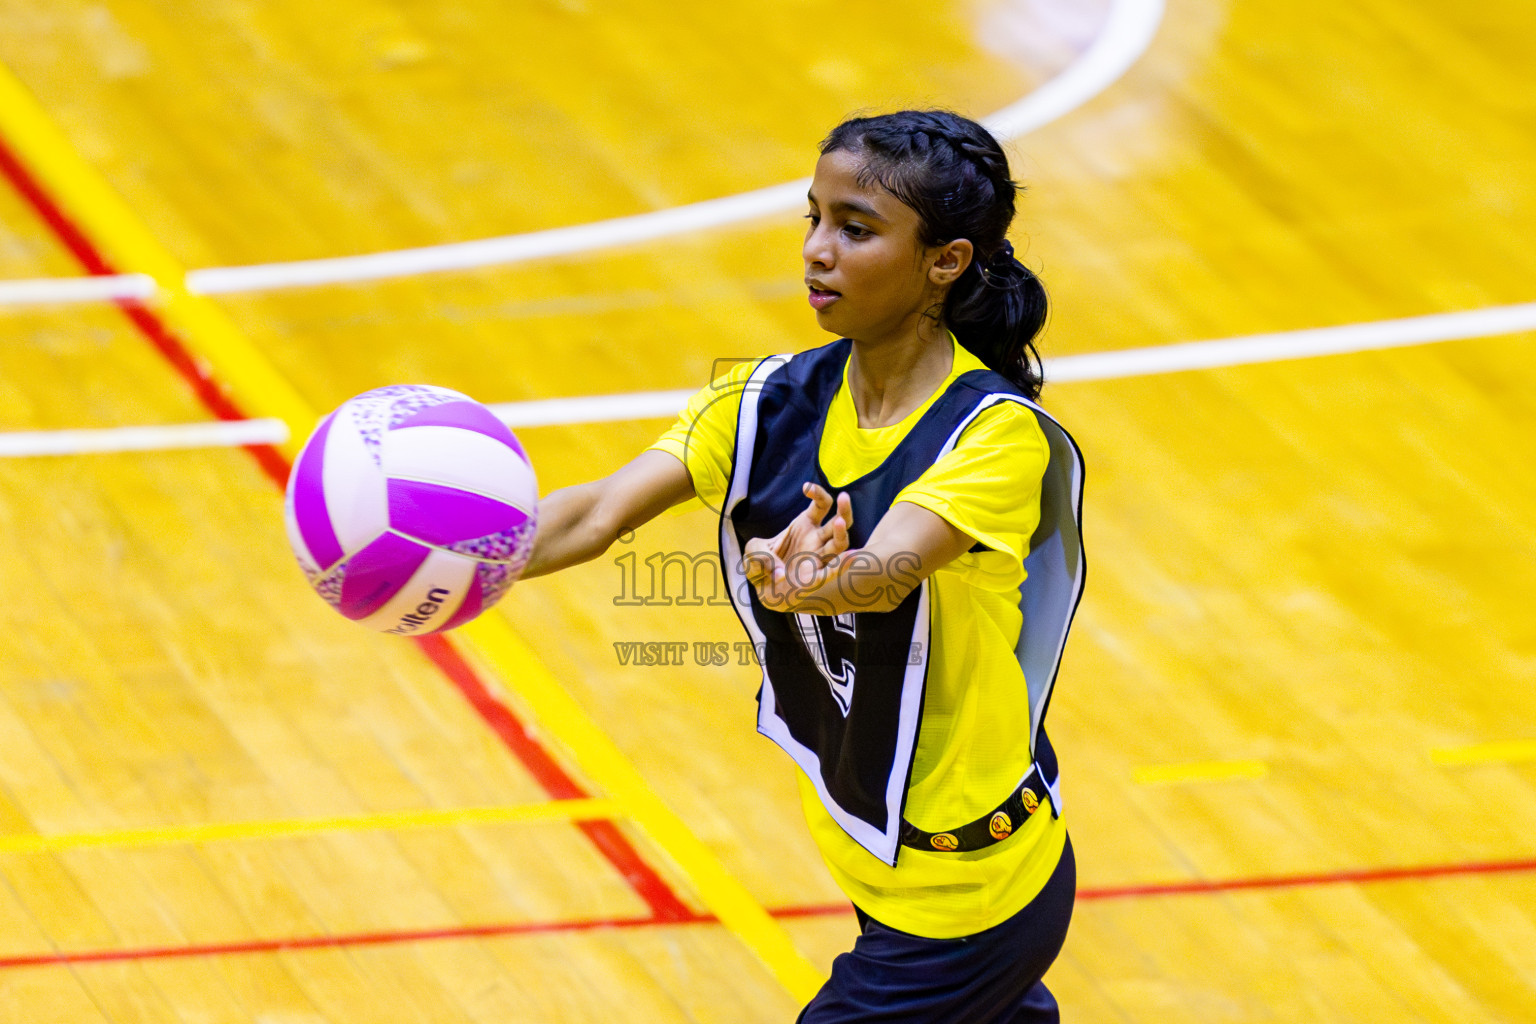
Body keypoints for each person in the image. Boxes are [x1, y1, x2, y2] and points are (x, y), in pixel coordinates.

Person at [522, 109, 1086, 1023]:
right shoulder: (759, 403)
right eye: (813, 219)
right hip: (875, 851)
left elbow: (894, 563)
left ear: (945, 262)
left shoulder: (993, 436)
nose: (817, 252)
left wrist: (821, 584)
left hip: (968, 892)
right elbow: (594, 513)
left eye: (855, 230)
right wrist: (459, 563)